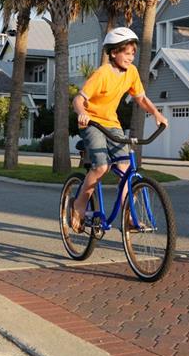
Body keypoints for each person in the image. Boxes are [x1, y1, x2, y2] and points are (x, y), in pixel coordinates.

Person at [69, 26, 168, 232]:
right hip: (92, 123)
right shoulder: (102, 73)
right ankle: (79, 204)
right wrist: (82, 113)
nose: (131, 57)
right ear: (114, 52)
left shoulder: (131, 72)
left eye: (133, 53)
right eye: (126, 52)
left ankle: (129, 217)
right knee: (101, 167)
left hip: (112, 124)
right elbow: (78, 99)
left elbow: (140, 98)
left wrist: (156, 114)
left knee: (125, 169)